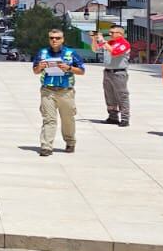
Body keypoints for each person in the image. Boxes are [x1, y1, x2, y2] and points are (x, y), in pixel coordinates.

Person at [33, 28, 85, 157]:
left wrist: (69, 68)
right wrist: (40, 66)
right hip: (48, 90)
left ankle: (70, 141)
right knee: (49, 119)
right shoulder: (43, 53)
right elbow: (35, 71)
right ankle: (46, 146)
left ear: (62, 39)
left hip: (66, 91)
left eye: (57, 38)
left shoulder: (71, 53)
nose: (54, 40)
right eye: (51, 38)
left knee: (68, 119)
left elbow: (82, 71)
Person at [92, 26, 133, 126]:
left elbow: (114, 52)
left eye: (112, 32)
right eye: (109, 32)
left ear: (120, 34)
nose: (110, 34)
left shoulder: (124, 44)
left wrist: (103, 41)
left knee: (122, 96)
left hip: (119, 72)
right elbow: (95, 49)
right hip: (108, 71)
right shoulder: (110, 43)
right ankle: (113, 116)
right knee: (109, 95)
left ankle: (125, 118)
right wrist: (94, 39)